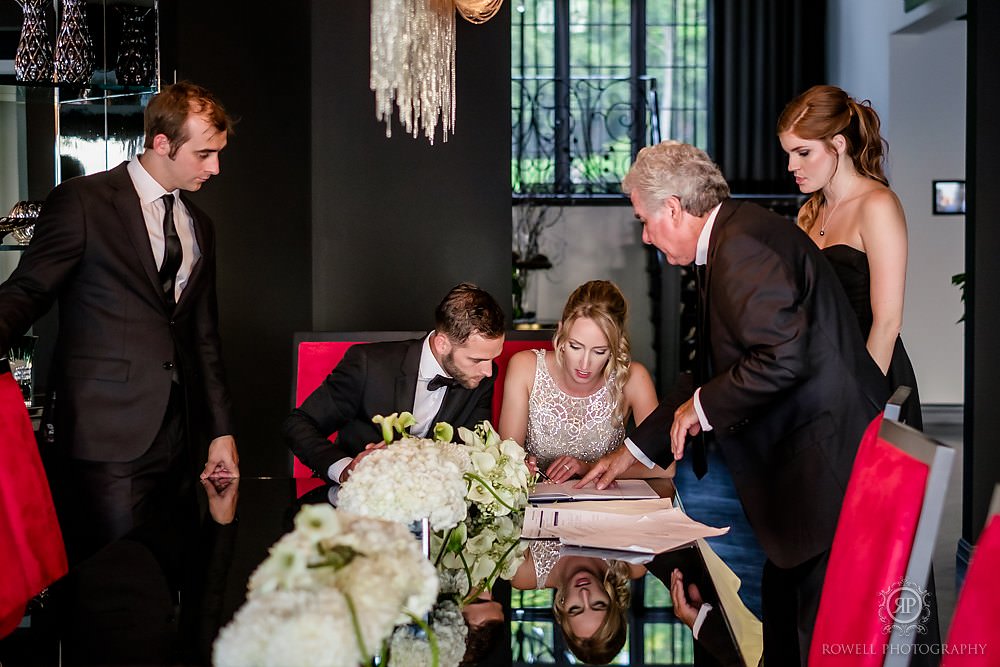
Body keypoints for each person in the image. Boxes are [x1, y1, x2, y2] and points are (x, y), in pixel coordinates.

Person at [578, 140, 888, 665]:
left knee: (815, 640)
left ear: (673, 208)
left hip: (823, 466)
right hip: (811, 463)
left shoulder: (740, 248)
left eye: (644, 221)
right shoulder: (734, 236)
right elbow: (706, 370)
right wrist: (632, 451)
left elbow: (783, 355)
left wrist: (700, 408)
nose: (646, 235)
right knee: (784, 625)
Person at [0, 81, 239, 564]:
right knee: (112, 587)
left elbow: (203, 337)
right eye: (204, 154)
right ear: (162, 143)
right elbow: (28, 290)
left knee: (172, 578)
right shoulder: (83, 201)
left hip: (180, 439)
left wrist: (219, 432)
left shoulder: (199, 225)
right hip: (104, 436)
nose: (215, 168)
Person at [778, 84, 922, 429]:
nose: (790, 166)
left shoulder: (878, 205)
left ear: (838, 146)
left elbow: (887, 322)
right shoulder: (810, 212)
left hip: (870, 380)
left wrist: (855, 397)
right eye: (788, 154)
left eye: (802, 153)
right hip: (818, 382)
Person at [284, 283, 505, 484]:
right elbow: (299, 424)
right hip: (360, 499)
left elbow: (475, 447)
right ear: (442, 344)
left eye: (492, 358)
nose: (488, 370)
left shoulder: (483, 377)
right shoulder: (369, 365)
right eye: (477, 360)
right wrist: (344, 469)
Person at [498, 279, 671, 482]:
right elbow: (505, 460)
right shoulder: (525, 368)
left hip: (606, 506)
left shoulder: (634, 378)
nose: (585, 364)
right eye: (575, 347)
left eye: (599, 351)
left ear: (615, 345)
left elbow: (665, 467)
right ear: (561, 331)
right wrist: (522, 467)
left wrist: (589, 469)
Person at [510, 543, 645, 664]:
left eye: (575, 609)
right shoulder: (633, 564)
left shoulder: (525, 574)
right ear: (612, 600)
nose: (584, 593)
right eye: (598, 604)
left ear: (562, 609)